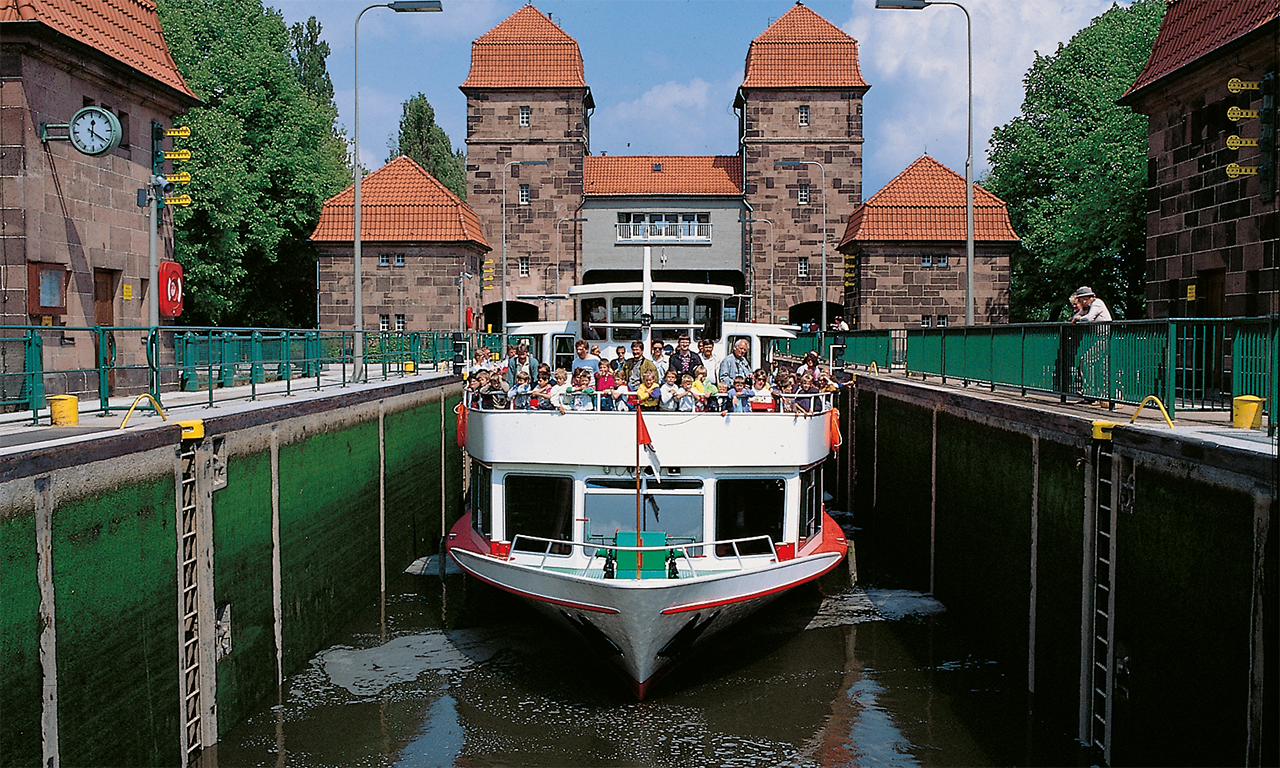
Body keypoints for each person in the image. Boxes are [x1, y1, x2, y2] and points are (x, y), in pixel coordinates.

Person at [1069, 286, 1112, 403]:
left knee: (1088, 361)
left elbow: (1089, 318)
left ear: (1085, 298)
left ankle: (1091, 393)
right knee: (1095, 364)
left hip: (1103, 337)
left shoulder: (1097, 303)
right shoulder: (1088, 306)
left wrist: (1078, 318)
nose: (1079, 302)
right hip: (1097, 338)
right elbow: (1076, 316)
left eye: (1080, 299)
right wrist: (1077, 316)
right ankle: (1096, 393)